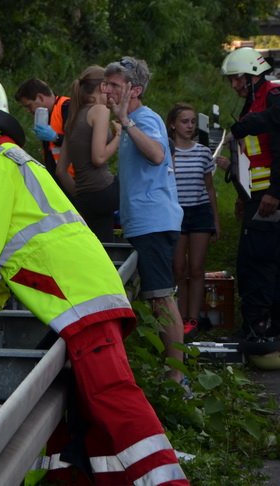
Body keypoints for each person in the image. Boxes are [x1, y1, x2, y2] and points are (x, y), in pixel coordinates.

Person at [0, 72, 188, 485]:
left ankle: (167, 481)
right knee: (86, 403)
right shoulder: (3, 157)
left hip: (78, 297)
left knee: (112, 397)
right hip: (80, 292)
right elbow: (6, 254)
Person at [103, 56, 185, 384]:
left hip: (153, 222)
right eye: (105, 84)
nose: (106, 90)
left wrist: (127, 123)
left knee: (161, 296)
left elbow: (157, 156)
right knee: (150, 298)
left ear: (134, 90)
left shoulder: (144, 119)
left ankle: (175, 378)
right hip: (143, 220)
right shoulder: (129, 121)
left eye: (114, 85)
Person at [220, 47, 280, 343]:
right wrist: (243, 195)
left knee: (260, 261)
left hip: (271, 198)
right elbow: (250, 157)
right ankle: (257, 326)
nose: (235, 85)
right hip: (257, 195)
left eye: (238, 78)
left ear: (254, 75)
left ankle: (263, 329)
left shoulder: (272, 98)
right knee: (250, 262)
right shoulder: (254, 102)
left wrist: (275, 193)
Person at [166, 102, 220, 335]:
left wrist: (215, 221)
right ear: (173, 125)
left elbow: (209, 189)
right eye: (184, 121)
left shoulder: (203, 152)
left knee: (197, 268)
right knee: (179, 268)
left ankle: (193, 318)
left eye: (192, 122)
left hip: (199, 212)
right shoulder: (167, 153)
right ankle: (178, 318)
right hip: (176, 214)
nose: (189, 126)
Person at [56, 66, 121, 242]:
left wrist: (80, 195)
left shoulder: (73, 117)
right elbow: (98, 158)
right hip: (104, 189)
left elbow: (61, 171)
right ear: (102, 87)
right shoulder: (99, 111)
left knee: (102, 246)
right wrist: (119, 136)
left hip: (85, 198)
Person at [15, 78, 70, 176]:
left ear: (40, 97)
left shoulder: (67, 107)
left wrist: (56, 137)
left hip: (75, 178)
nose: (28, 110)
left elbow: (80, 142)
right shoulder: (47, 114)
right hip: (60, 177)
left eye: (29, 106)